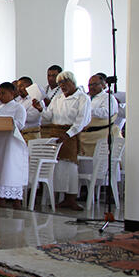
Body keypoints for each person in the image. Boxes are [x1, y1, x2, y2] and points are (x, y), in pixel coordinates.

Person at [33, 71, 91, 210]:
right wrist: (41, 109)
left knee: (70, 167)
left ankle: (71, 198)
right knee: (57, 167)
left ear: (72, 82)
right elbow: (49, 116)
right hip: (55, 134)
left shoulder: (82, 98)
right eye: (60, 83)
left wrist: (68, 134)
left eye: (65, 82)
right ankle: (59, 196)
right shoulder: (57, 98)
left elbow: (81, 121)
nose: (62, 86)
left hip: (70, 135)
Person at [80, 74, 119, 156]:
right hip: (85, 136)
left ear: (103, 85)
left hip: (101, 134)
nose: (91, 87)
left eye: (95, 84)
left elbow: (107, 112)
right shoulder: (85, 98)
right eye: (90, 85)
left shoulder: (108, 98)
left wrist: (88, 111)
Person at [16, 76, 44, 141]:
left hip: (31, 135)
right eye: (18, 86)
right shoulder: (18, 100)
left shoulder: (36, 100)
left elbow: (32, 118)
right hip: (20, 135)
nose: (18, 89)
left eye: (21, 86)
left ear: (29, 86)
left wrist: (16, 116)